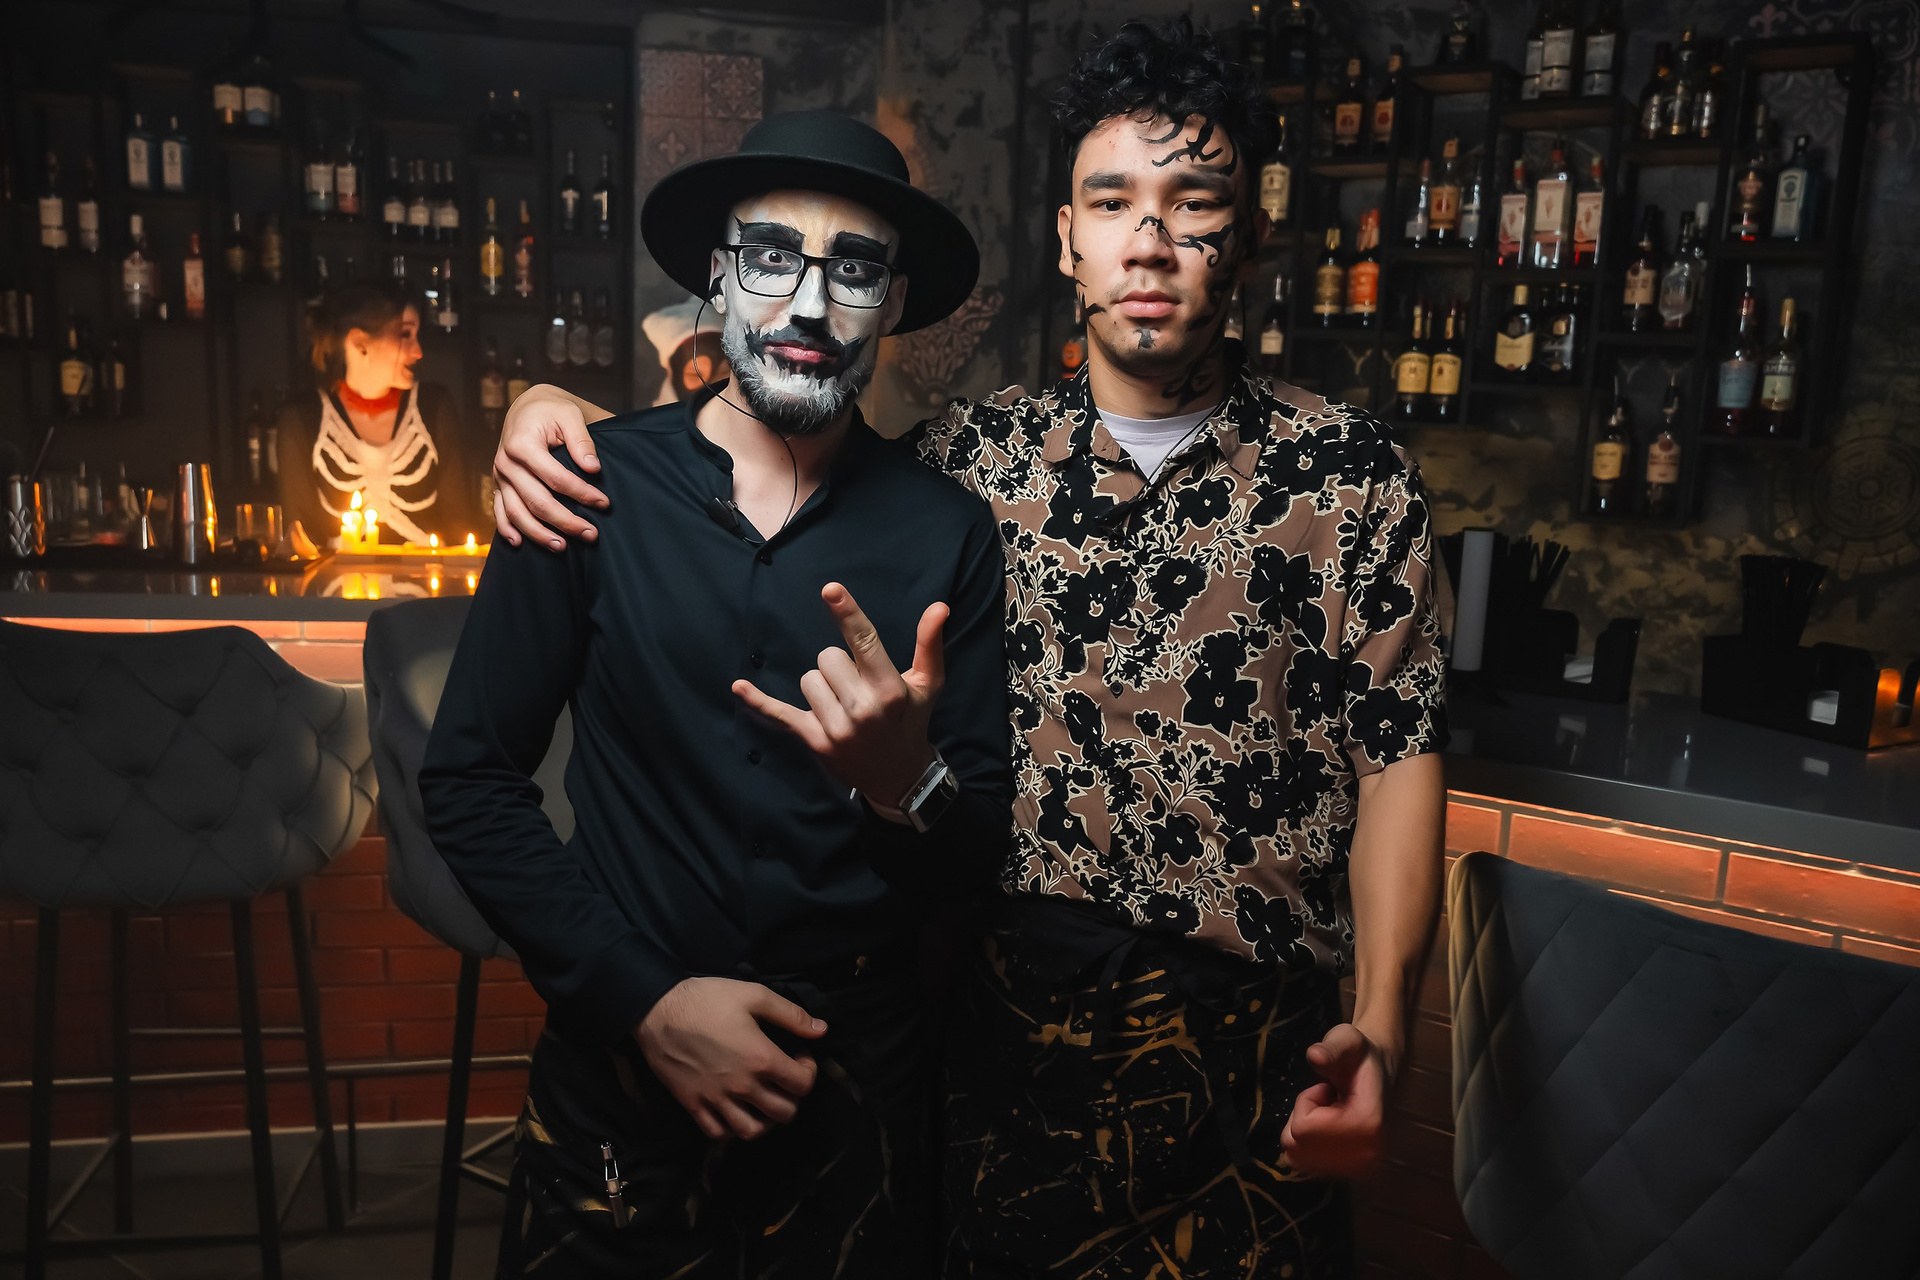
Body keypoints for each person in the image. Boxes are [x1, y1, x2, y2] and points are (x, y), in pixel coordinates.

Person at [489, 20, 1448, 1277]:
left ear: (1250, 233)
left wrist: (1383, 1027)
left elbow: (1398, 761)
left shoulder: (1353, 475)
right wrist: (554, 413)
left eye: (1194, 203)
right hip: (1009, 1040)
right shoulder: (970, 463)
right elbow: (775, 448)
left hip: (1259, 1043)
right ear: (1067, 236)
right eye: (1114, 200)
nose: (1149, 239)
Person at [417, 110, 1011, 1279]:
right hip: (618, 1076)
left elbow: (973, 853)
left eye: (854, 269)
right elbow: (470, 782)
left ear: (893, 302)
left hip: (854, 1089)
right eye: (772, 255)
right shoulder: (586, 484)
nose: (808, 304)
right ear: (719, 274)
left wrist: (907, 784)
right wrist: (644, 999)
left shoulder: (948, 531)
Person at [279, 279, 478, 550]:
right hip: (336, 578)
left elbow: (460, 528)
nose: (418, 352)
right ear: (360, 343)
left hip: (429, 575)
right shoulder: (302, 419)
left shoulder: (434, 407)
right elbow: (299, 543)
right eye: (405, 335)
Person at [641, 296, 731, 405]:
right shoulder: (661, 415)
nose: (709, 386)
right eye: (695, 375)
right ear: (673, 372)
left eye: (722, 373)